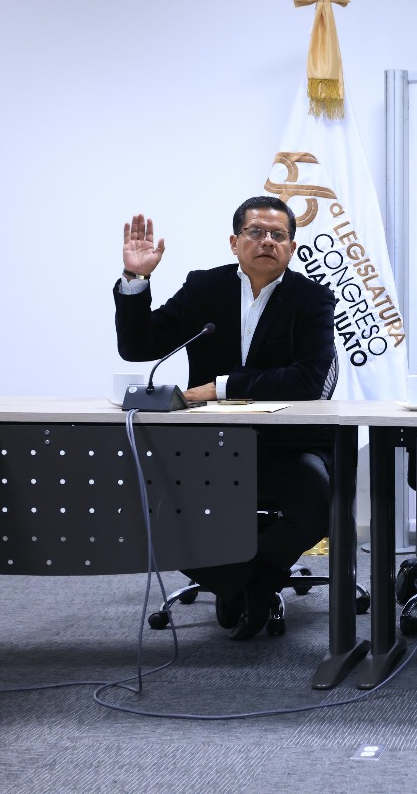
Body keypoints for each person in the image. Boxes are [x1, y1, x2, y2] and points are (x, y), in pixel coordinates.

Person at [113, 195, 337, 641]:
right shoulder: (203, 288)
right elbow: (138, 347)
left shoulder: (312, 299)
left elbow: (308, 381)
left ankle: (245, 580)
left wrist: (220, 387)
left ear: (292, 247)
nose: (267, 241)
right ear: (234, 242)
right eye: (256, 232)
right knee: (148, 498)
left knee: (317, 498)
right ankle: (250, 582)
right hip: (208, 443)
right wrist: (136, 279)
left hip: (286, 446)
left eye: (278, 235)